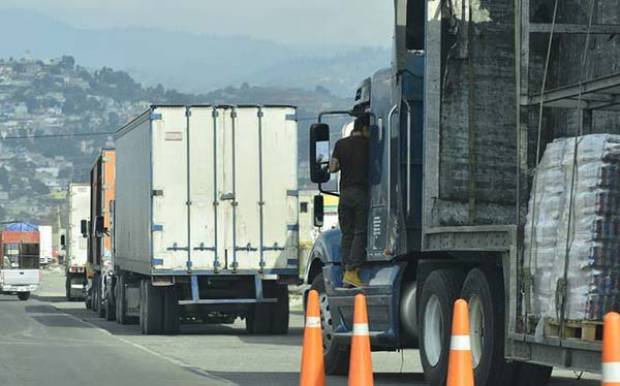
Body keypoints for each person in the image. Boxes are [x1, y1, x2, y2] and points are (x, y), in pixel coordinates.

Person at [328, 114, 370, 287]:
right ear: (365, 129)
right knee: (360, 232)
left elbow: (333, 168)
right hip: (361, 193)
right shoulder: (369, 145)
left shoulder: (340, 144)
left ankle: (346, 270)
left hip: (344, 194)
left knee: (347, 233)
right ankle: (353, 271)